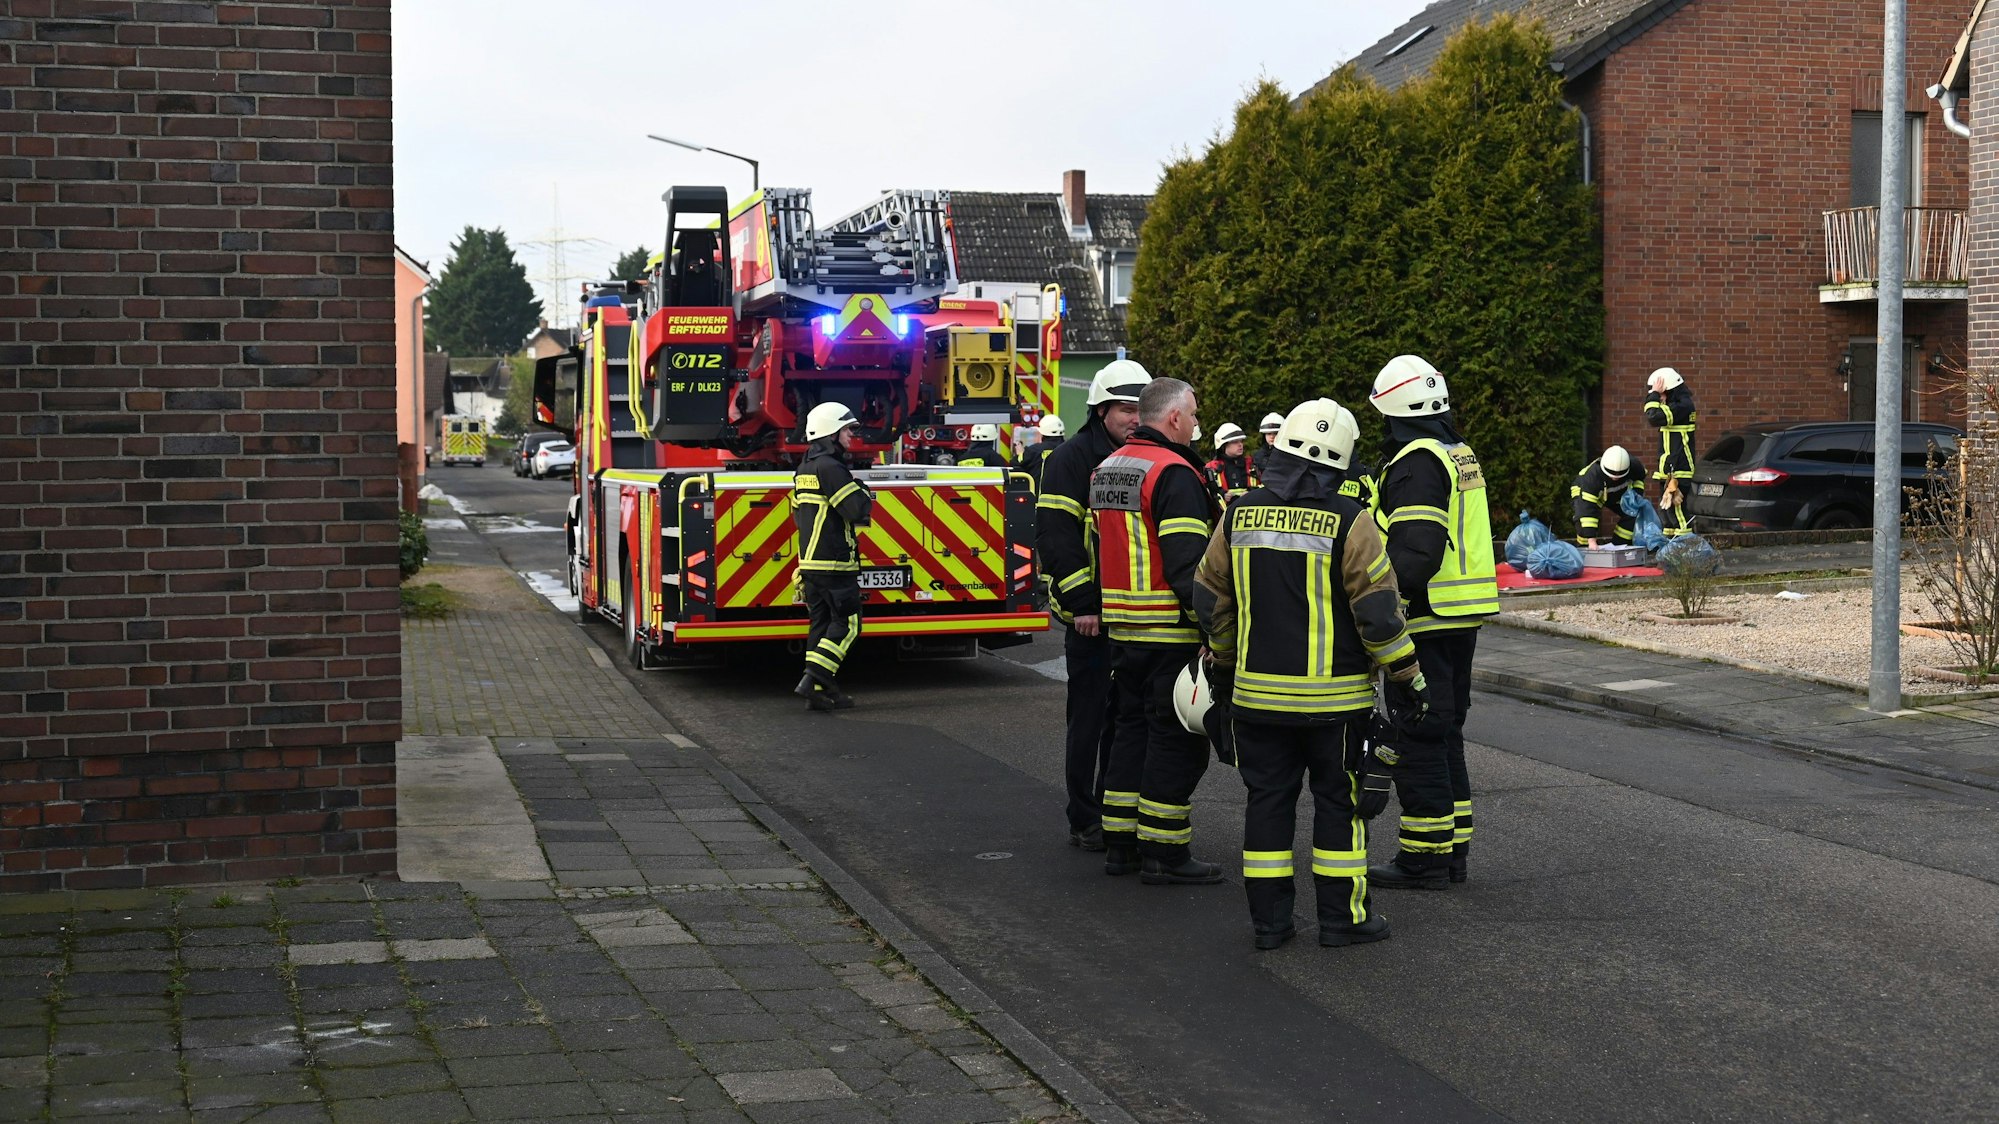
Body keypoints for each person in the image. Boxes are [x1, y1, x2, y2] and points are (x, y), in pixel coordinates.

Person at [1194, 398, 1431, 949]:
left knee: (1267, 803)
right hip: (1336, 706)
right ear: (1341, 461)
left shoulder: (1238, 514)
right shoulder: (1353, 521)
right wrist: (1408, 677)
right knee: (1339, 807)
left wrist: (1224, 666)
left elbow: (1210, 601)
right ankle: (1342, 921)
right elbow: (1379, 617)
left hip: (1257, 701)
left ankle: (1270, 925)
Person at [1365, 355, 1500, 890]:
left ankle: (1424, 858)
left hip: (1425, 614)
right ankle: (1453, 851)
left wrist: (1384, 608)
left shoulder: (1417, 460)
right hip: (1459, 614)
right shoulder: (1455, 450)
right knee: (1444, 732)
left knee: (1419, 733)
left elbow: (1417, 549)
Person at [1090, 376, 1223, 884]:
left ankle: (1120, 843)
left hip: (1123, 627)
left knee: (1130, 730)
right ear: (1173, 418)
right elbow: (1187, 564)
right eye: (1193, 414)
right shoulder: (1174, 473)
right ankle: (1164, 853)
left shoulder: (1109, 467)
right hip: (1169, 629)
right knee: (1176, 741)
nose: (1196, 423)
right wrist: (1214, 629)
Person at [1036, 362, 1150, 851]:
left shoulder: (1141, 457)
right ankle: (1084, 818)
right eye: (1126, 409)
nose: (1135, 418)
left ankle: (1117, 812)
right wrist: (1083, 602)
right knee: (1089, 721)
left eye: (1142, 409)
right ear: (1101, 410)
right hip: (1093, 618)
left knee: (1128, 721)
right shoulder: (1071, 458)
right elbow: (1057, 538)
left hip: (1136, 617)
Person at [792, 402, 873, 712]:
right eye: (847, 429)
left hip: (810, 563)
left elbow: (797, 512)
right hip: (835, 563)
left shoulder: (804, 467)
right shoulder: (831, 468)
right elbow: (856, 510)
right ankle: (814, 677)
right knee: (849, 624)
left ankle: (821, 692)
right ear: (831, 432)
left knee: (821, 625)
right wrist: (862, 489)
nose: (852, 434)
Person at [1644, 367, 1697, 537]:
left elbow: (1653, 416)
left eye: (1662, 394)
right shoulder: (1676, 406)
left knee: (1678, 513)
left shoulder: (1682, 407)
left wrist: (1653, 394)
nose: (1660, 399)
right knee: (1667, 514)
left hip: (1679, 469)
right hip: (1670, 469)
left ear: (1671, 391)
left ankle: (1686, 547)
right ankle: (1670, 544)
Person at [1570, 445, 1638, 547]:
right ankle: (1585, 548)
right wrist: (1591, 541)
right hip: (1586, 492)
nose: (1615, 477)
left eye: (1620, 474)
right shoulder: (1591, 478)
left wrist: (1637, 496)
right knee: (1583, 522)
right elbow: (1587, 509)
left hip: (1614, 493)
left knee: (1632, 512)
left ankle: (1619, 546)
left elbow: (1639, 480)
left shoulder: (1635, 466)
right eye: (1612, 473)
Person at [1205, 422, 1256, 498]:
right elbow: (1207, 491)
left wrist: (1251, 492)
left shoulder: (1252, 464)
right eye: (1235, 442)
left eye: (1241, 441)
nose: (1240, 445)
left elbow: (1265, 486)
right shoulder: (1212, 468)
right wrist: (1223, 494)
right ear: (1223, 445)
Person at [1019, 414, 1065, 489]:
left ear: (1042, 433)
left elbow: (1016, 462)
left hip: (1039, 494)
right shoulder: (1070, 449)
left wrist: (1020, 453)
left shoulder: (1033, 450)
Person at [1250, 412, 1284, 482]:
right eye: (1268, 434)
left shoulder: (1289, 454)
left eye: (1275, 433)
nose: (1272, 436)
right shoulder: (1258, 456)